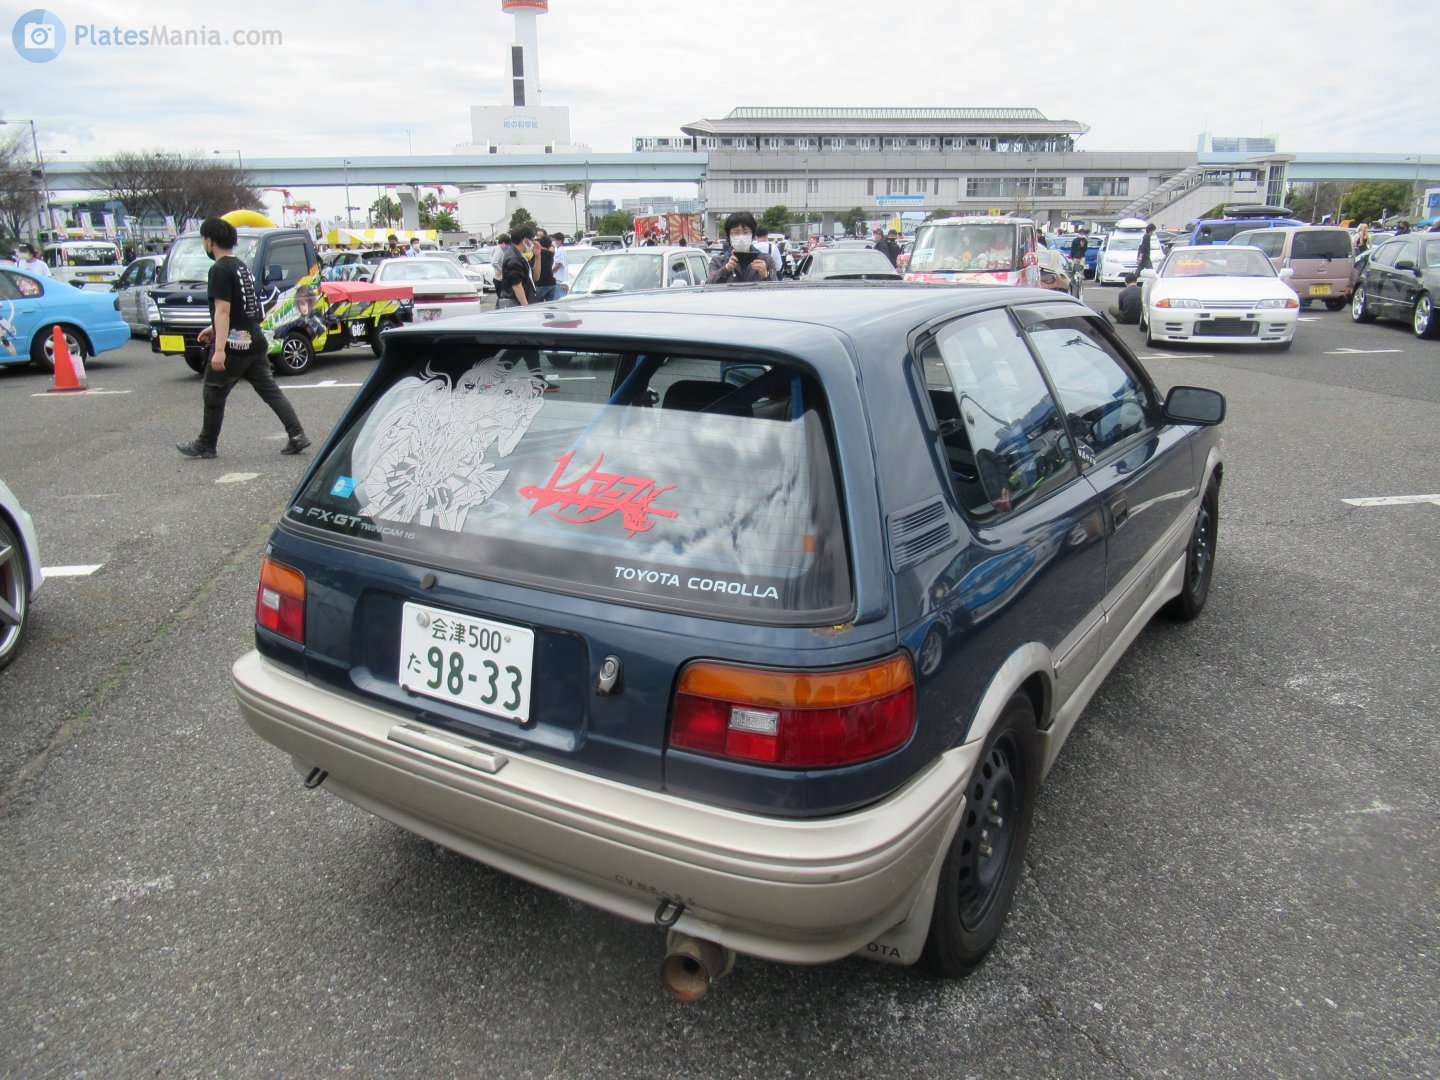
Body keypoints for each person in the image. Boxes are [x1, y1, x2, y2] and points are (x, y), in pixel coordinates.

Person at [177, 217, 309, 459]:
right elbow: (247, 308)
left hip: (234, 345)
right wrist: (213, 328)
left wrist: (218, 348)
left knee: (213, 390)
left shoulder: (218, 269)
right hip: (255, 341)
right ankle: (297, 434)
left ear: (209, 242)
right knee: (270, 391)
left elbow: (224, 310)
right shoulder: (241, 266)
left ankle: (207, 443)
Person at [706, 211, 772, 284]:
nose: (741, 236)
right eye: (736, 232)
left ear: (752, 235)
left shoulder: (766, 260)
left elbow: (777, 290)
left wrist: (766, 275)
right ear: (729, 236)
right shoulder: (717, 262)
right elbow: (709, 284)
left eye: (746, 232)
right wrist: (726, 269)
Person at [496, 224, 537, 308]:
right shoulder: (514, 259)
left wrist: (538, 256)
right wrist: (527, 308)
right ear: (525, 240)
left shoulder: (519, 255)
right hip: (516, 305)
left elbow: (535, 277)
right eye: (532, 240)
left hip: (519, 302)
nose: (533, 243)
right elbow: (517, 286)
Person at [534, 234, 557, 302]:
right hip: (551, 282)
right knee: (550, 305)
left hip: (541, 283)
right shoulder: (551, 254)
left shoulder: (537, 254)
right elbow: (553, 248)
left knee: (537, 305)